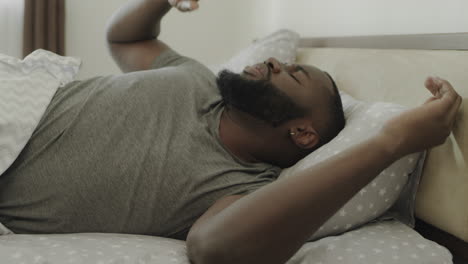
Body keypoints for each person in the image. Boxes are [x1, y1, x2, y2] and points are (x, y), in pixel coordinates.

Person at [0, 1, 462, 264]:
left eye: (294, 75)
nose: (277, 62)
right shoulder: (195, 78)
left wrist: (391, 143)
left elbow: (213, 250)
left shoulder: (240, 190)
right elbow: (125, 39)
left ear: (304, 134)